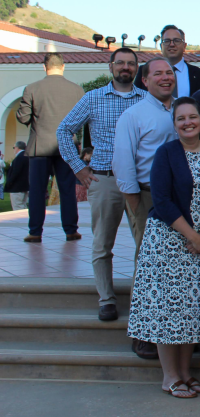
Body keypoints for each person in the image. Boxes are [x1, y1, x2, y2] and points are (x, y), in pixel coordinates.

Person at [127, 97, 200, 400]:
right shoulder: (166, 153)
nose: (187, 123)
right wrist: (192, 236)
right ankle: (170, 376)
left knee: (191, 312)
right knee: (168, 311)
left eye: (192, 117)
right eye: (181, 119)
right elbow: (162, 201)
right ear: (174, 124)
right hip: (168, 244)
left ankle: (186, 372)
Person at [57, 47, 147, 322]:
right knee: (102, 244)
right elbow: (63, 130)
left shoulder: (146, 100)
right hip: (104, 178)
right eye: (120, 62)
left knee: (144, 245)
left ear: (136, 69)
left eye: (131, 64)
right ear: (110, 66)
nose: (125, 68)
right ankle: (106, 299)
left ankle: (140, 299)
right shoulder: (93, 98)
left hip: (140, 183)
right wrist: (78, 168)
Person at [113, 57, 179, 359]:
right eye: (158, 74)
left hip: (179, 198)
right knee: (148, 265)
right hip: (147, 196)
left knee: (174, 266)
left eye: (169, 73)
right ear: (145, 81)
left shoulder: (181, 110)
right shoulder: (134, 114)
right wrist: (134, 202)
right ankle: (143, 333)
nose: (165, 78)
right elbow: (123, 160)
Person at [16, 53, 84, 241]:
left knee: (37, 190)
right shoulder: (77, 90)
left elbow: (23, 117)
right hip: (67, 146)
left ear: (44, 67)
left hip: (40, 146)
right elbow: (81, 120)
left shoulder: (32, 88)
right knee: (67, 189)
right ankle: (71, 230)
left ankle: (35, 232)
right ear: (63, 67)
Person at [137, 25, 200, 96]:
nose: (172, 44)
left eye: (177, 40)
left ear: (184, 46)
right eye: (167, 41)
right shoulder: (143, 72)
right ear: (161, 46)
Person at [6, 141, 28, 211]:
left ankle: (21, 221)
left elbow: (15, 172)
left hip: (17, 187)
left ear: (17, 148)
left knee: (18, 207)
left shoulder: (19, 158)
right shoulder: (27, 156)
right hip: (25, 186)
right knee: (23, 205)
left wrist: (9, 182)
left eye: (14, 147)